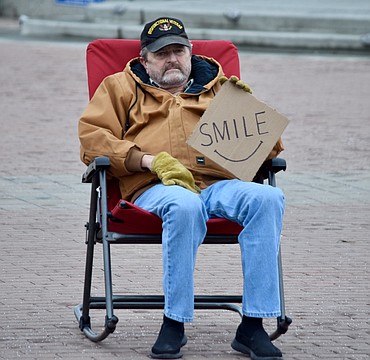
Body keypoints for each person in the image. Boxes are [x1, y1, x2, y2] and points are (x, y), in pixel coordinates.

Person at [79, 16, 286, 360]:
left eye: (179, 50)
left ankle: (253, 325)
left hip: (218, 184)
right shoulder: (119, 87)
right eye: (162, 53)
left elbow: (271, 152)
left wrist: (252, 117)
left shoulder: (219, 87)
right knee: (184, 204)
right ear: (145, 60)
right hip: (156, 185)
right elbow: (92, 140)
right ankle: (174, 321)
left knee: (269, 197)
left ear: (190, 53)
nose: (172, 59)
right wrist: (147, 160)